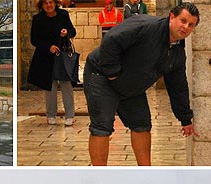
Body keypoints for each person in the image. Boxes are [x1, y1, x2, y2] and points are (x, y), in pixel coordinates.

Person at [83, 3, 199, 166]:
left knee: (142, 125)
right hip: (102, 77)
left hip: (131, 86)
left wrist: (185, 118)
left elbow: (178, 85)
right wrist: (112, 73)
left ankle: (145, 172)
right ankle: (101, 176)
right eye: (183, 21)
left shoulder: (177, 52)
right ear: (172, 17)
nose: (185, 27)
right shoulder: (146, 25)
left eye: (191, 24)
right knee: (102, 126)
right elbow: (111, 39)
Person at [28, 0, 77, 126]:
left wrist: (67, 32)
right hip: (46, 56)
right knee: (50, 86)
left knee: (66, 84)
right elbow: (34, 39)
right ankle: (50, 115)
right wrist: (48, 46)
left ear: (55, 3)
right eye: (45, 3)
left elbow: (73, 31)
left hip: (63, 54)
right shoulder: (38, 19)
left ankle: (70, 115)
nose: (48, 5)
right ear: (42, 5)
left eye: (50, 2)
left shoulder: (63, 15)